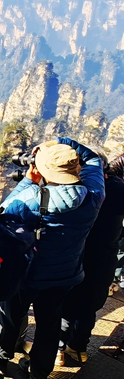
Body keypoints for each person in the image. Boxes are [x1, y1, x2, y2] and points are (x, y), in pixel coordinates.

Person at [0, 137, 104, 379]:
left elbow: (2, 214)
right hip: (65, 275)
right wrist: (64, 143)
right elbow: (94, 159)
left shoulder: (32, 198)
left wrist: (28, 182)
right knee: (49, 323)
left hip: (26, 275)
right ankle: (39, 373)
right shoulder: (94, 196)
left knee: (10, 316)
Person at [59, 151, 124, 364]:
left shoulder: (78, 191)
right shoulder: (117, 190)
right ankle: (77, 348)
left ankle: (59, 349)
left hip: (76, 255)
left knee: (66, 303)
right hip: (104, 258)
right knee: (88, 305)